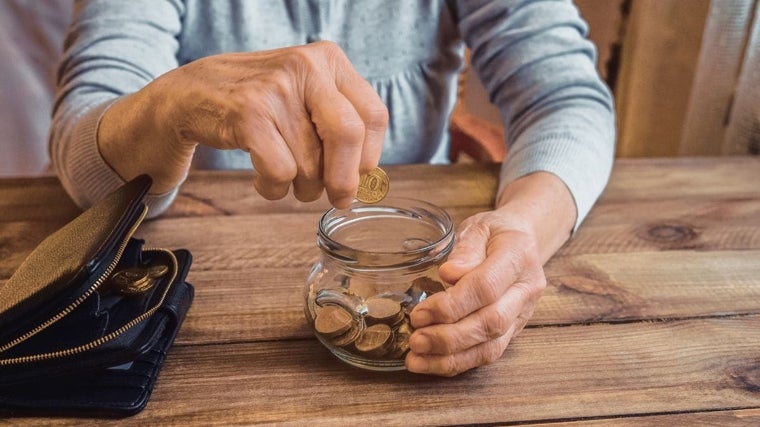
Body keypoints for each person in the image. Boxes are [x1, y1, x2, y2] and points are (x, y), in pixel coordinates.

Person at [50, 0, 615, 376]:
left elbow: (564, 97)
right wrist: (167, 105)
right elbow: (83, 150)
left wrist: (523, 225)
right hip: (206, 292)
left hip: (433, 252)